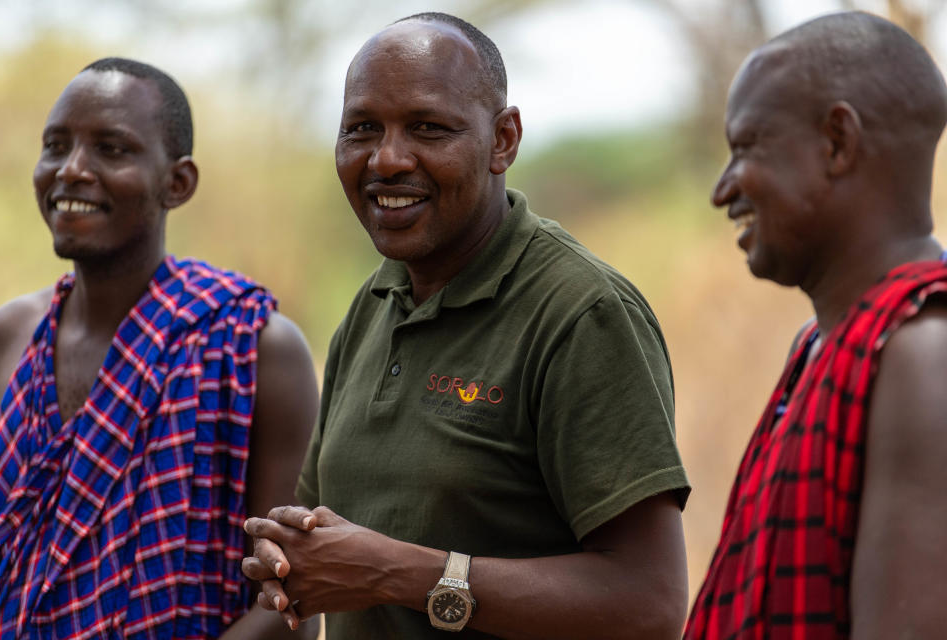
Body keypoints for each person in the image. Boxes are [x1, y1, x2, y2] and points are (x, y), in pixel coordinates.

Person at [242, 12, 690, 640]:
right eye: (361, 129)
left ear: (503, 139)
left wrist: (398, 574)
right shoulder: (374, 304)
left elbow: (651, 605)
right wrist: (286, 558)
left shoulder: (580, 313)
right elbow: (324, 543)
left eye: (429, 128)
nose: (388, 159)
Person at [0, 58, 320, 639]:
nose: (71, 171)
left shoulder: (254, 346)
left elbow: (291, 601)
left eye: (111, 149)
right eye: (55, 146)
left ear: (178, 182)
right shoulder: (8, 336)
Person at [685, 11, 947, 640]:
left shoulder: (922, 349)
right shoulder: (820, 348)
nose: (723, 192)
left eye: (746, 148)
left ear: (837, 142)